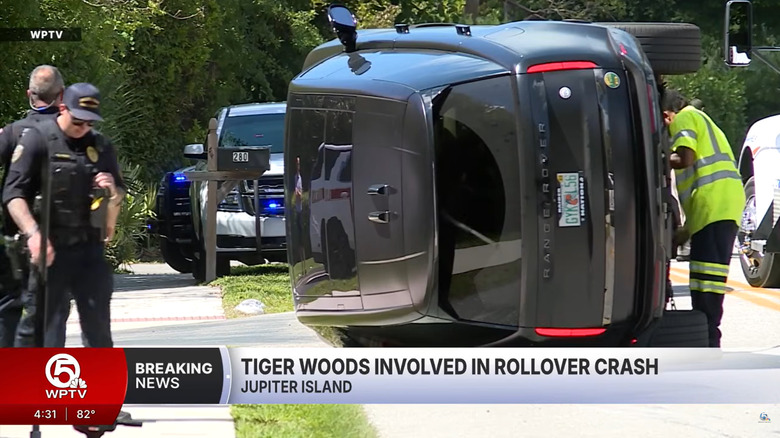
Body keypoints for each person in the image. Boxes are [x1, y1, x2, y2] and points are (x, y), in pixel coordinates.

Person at [3, 82, 126, 348]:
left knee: (99, 333)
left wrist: (112, 193)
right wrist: (33, 234)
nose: (84, 128)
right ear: (62, 108)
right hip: (50, 249)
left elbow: (115, 208)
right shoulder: (38, 139)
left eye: (90, 123)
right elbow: (13, 195)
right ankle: (23, 387)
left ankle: (102, 388)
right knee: (39, 331)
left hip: (89, 251)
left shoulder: (101, 146)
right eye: (78, 121)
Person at [662, 89, 745, 347]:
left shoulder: (684, 118)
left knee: (707, 278)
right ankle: (706, 334)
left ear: (666, 116)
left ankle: (709, 338)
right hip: (718, 205)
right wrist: (684, 233)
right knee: (704, 275)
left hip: (715, 203)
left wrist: (657, 159)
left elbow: (685, 158)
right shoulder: (701, 118)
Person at [0, 65, 65, 347]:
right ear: (61, 96)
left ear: (29, 94)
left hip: (14, 240)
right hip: (58, 241)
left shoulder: (13, 132)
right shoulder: (71, 134)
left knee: (8, 307)